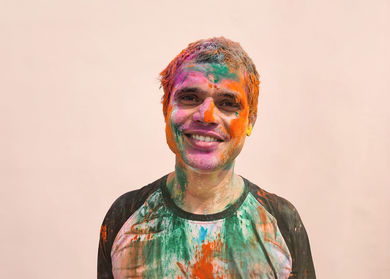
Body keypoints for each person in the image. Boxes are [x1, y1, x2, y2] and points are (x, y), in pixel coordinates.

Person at [98, 37, 316, 279]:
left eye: (227, 103)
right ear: (165, 109)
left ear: (250, 121)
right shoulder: (125, 217)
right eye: (190, 98)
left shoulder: (281, 222)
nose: (207, 115)